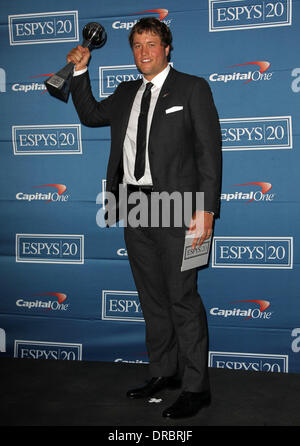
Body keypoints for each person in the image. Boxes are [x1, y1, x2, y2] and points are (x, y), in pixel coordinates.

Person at [68, 17, 222, 419]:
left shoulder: (192, 88)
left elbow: (209, 155)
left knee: (182, 299)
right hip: (133, 206)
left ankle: (195, 387)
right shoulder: (125, 92)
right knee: (152, 299)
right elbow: (89, 114)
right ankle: (164, 373)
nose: (144, 52)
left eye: (151, 44)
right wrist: (81, 70)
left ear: (167, 48)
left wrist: (206, 211)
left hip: (182, 209)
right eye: (137, 45)